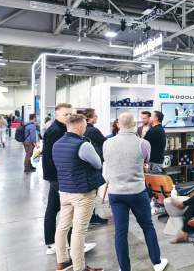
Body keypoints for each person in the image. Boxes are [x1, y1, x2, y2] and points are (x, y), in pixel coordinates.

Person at [103, 113, 168, 271]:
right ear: (134, 125)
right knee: (147, 226)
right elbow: (145, 162)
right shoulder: (144, 143)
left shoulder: (107, 143)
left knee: (120, 232)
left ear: (118, 124)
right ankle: (157, 262)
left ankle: (124, 268)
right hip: (137, 192)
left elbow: (108, 161)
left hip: (116, 193)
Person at [42, 103, 96, 255]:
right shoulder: (55, 131)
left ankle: (62, 244)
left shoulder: (60, 130)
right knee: (60, 210)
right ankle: (57, 244)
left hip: (59, 176)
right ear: (57, 116)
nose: (69, 117)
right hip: (58, 177)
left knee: (60, 210)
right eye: (65, 115)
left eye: (69, 114)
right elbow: (56, 157)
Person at [53, 114, 105, 271]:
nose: (85, 129)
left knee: (62, 227)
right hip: (83, 192)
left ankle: (62, 261)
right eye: (84, 126)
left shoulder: (57, 144)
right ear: (80, 127)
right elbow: (97, 164)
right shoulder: (83, 145)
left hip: (64, 191)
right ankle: (79, 267)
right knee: (79, 230)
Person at [80, 108, 108, 226]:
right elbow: (105, 142)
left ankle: (88, 216)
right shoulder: (93, 130)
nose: (97, 117)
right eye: (95, 115)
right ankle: (91, 217)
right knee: (94, 191)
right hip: (95, 162)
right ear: (90, 117)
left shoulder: (84, 129)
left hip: (85, 163)